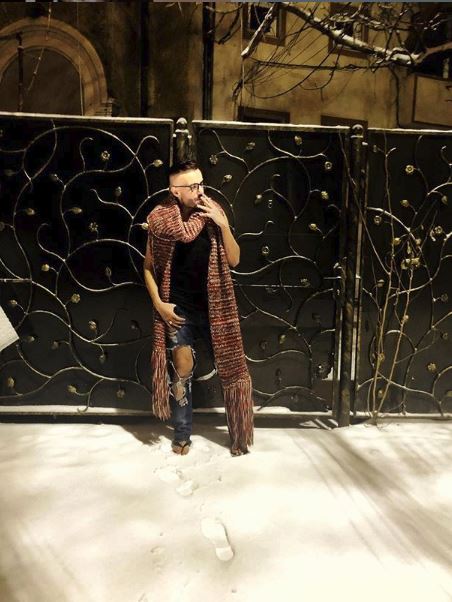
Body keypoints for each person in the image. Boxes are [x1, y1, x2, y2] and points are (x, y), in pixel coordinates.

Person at [144, 160, 254, 456]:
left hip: (215, 308)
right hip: (178, 308)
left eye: (201, 183)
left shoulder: (212, 212)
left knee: (230, 369)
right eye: (192, 186)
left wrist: (223, 225)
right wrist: (159, 304)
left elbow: (234, 260)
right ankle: (181, 434)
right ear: (175, 191)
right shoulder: (159, 220)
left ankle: (239, 435)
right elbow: (149, 268)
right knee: (182, 368)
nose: (199, 190)